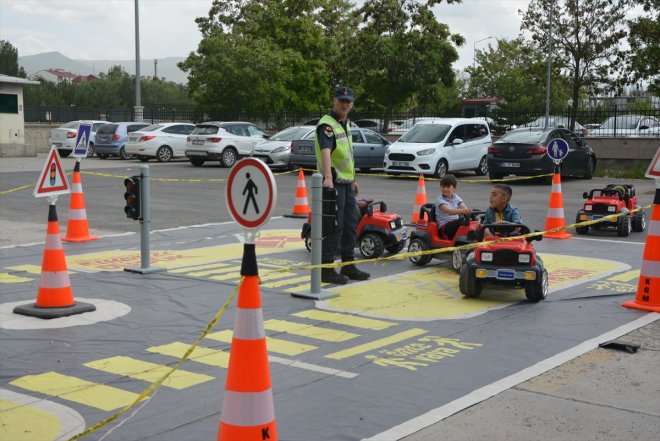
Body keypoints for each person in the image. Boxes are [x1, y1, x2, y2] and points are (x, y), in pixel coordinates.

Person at [315, 87, 370, 284]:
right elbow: (326, 151)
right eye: (341, 100)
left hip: (346, 184)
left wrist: (353, 179)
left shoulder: (344, 124)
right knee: (334, 227)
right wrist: (328, 178)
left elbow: (346, 155)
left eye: (349, 101)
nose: (345, 104)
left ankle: (348, 265)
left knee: (350, 223)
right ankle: (327, 268)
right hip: (334, 184)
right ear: (334, 101)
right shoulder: (327, 125)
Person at [435, 174, 471, 240]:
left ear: (454, 188)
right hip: (444, 228)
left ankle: (473, 237)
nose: (445, 189)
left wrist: (466, 210)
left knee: (471, 219)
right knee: (461, 221)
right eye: (443, 187)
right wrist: (462, 211)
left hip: (454, 224)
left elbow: (462, 205)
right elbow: (449, 211)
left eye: (448, 187)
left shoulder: (455, 197)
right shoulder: (440, 200)